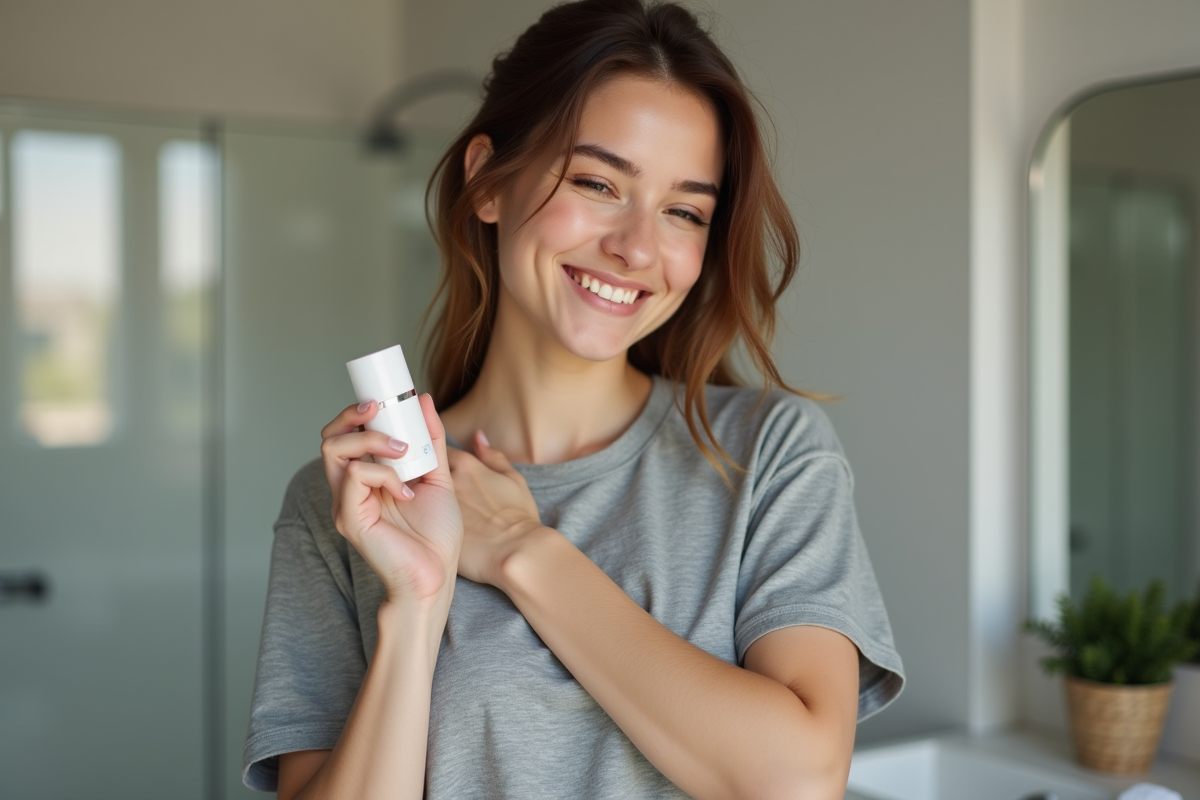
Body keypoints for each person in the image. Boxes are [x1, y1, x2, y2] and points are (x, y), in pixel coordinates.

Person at [243, 0, 904, 797]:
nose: (636, 247)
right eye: (598, 183)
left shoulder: (768, 453)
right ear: (487, 180)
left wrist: (525, 552)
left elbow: (798, 782)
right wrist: (416, 608)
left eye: (684, 212)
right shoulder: (355, 501)